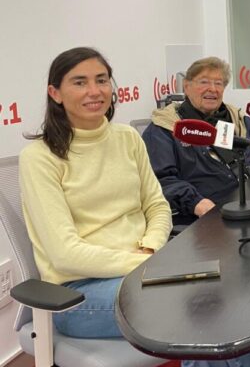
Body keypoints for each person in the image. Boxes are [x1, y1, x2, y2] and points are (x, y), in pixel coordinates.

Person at [18, 47, 171, 342]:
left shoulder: (127, 137)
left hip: (142, 269)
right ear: (55, 93)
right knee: (191, 307)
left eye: (102, 80)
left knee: (216, 296)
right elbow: (65, 255)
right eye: (79, 82)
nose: (94, 91)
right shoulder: (39, 158)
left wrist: (150, 249)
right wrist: (141, 263)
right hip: (79, 294)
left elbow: (157, 206)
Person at [143, 57, 250, 226]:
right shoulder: (164, 129)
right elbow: (160, 181)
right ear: (186, 87)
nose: (212, 89)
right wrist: (196, 202)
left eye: (218, 83)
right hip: (205, 221)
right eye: (204, 82)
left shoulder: (236, 119)